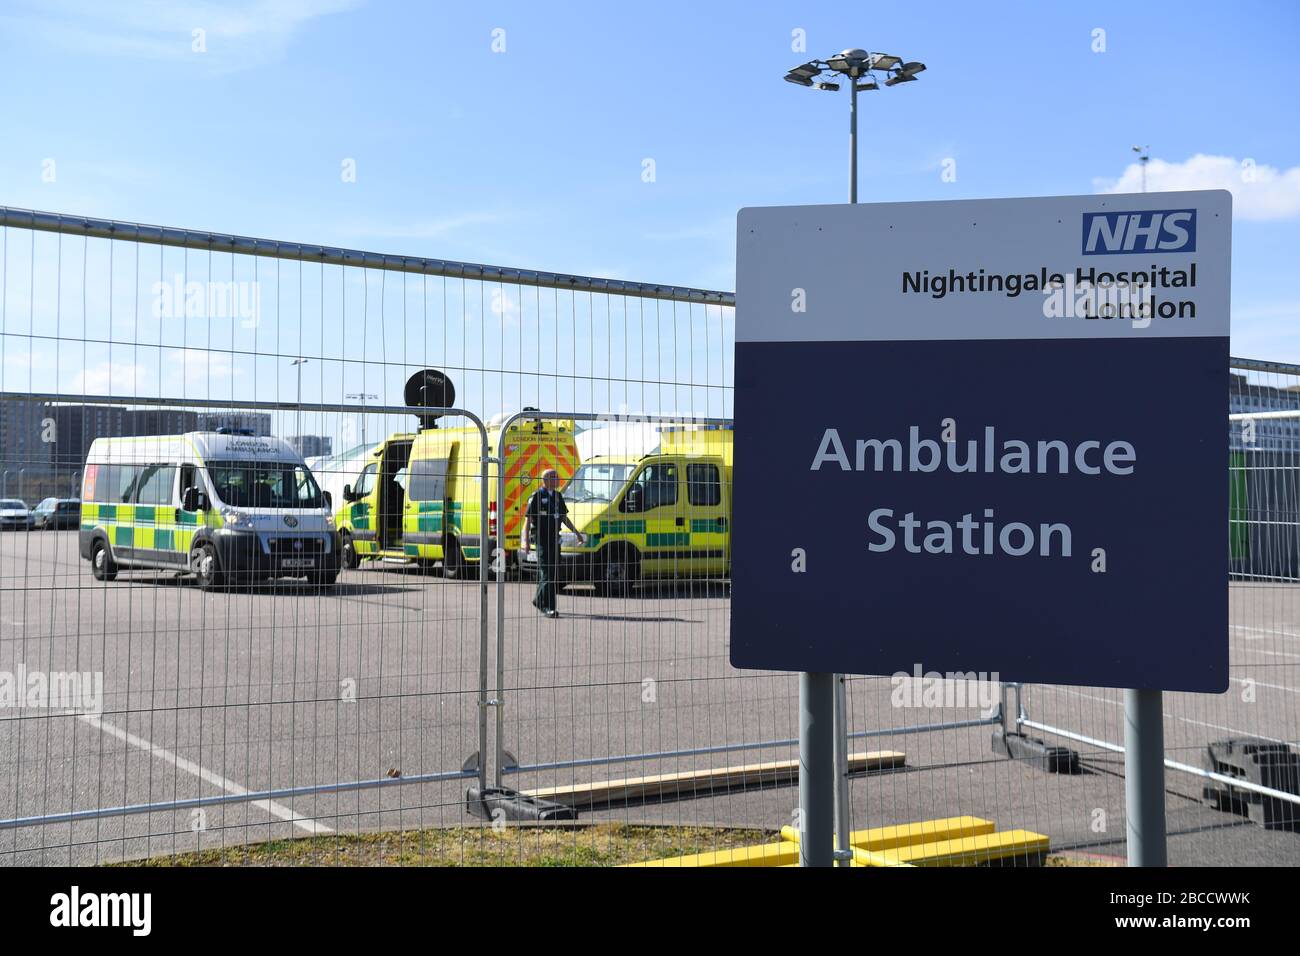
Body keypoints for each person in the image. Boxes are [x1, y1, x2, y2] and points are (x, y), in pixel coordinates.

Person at [523, 468, 584, 618]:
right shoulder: (537, 496)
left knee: (551, 573)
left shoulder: (557, 496)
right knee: (547, 573)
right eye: (555, 477)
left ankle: (538, 600)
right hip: (542, 540)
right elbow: (528, 520)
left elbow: (563, 517)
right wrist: (524, 541)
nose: (558, 480)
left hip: (555, 539)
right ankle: (548, 607)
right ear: (547, 480)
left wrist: (577, 533)